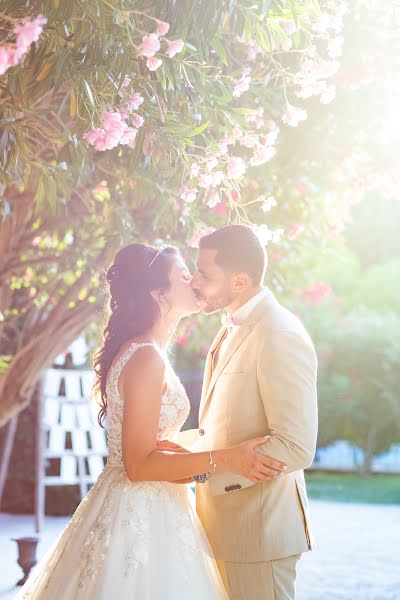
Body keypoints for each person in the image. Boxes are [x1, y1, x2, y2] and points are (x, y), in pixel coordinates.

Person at [16, 242, 286, 600]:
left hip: (156, 504)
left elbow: (147, 447)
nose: (194, 282)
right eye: (183, 276)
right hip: (138, 513)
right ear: (160, 294)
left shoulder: (147, 352)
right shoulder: (145, 358)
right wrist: (227, 459)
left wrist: (187, 460)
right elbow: (139, 466)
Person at [190, 225, 318, 600]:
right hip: (222, 527)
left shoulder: (279, 332)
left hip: (260, 534)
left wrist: (210, 468)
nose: (195, 281)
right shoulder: (229, 328)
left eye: (205, 275)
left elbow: (295, 445)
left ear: (240, 281)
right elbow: (221, 424)